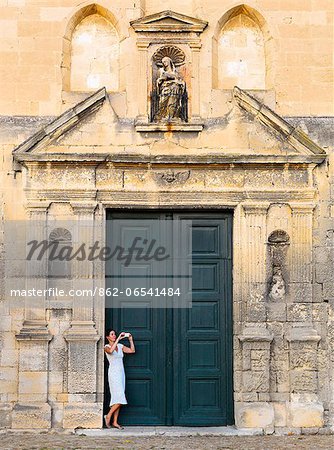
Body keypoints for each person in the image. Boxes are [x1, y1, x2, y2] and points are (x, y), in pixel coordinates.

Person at [104, 330, 135, 429]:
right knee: (120, 396)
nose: (114, 336)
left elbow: (132, 350)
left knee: (117, 398)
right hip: (113, 374)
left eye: (114, 334)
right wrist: (118, 339)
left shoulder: (120, 346)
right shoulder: (106, 347)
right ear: (107, 337)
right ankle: (108, 416)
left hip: (121, 373)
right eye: (112, 334)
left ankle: (115, 422)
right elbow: (111, 351)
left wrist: (130, 340)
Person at [155, 56, 185, 121]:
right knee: (163, 102)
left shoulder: (175, 73)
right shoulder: (162, 72)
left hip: (174, 90)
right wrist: (160, 81)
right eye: (163, 62)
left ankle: (172, 116)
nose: (164, 63)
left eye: (165, 61)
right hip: (165, 89)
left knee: (172, 103)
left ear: (169, 62)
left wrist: (177, 82)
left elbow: (180, 81)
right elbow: (159, 81)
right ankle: (164, 115)